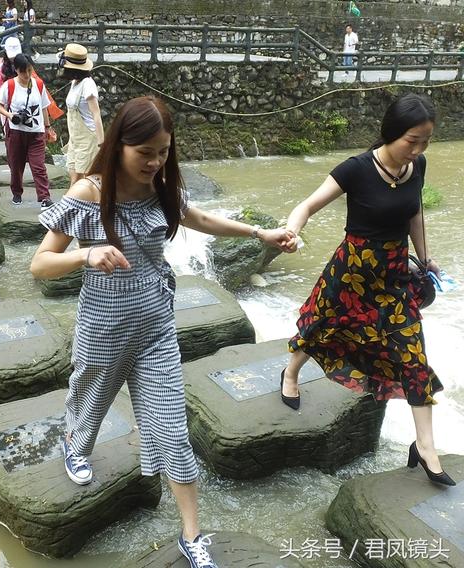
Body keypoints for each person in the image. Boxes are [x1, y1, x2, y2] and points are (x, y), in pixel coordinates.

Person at [31, 95, 291, 568]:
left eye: (163, 151)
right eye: (144, 152)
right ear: (118, 146)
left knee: (173, 430)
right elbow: (40, 264)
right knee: (89, 409)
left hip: (155, 328)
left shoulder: (162, 188)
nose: (155, 161)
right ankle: (75, 443)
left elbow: (201, 219)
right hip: (103, 330)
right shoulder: (90, 192)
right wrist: (85, 255)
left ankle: (192, 536)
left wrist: (259, 234)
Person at [280, 94, 455, 487]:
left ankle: (426, 447)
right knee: (319, 330)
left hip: (394, 278)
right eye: (413, 140)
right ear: (391, 133)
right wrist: (291, 232)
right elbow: (307, 206)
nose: (419, 149)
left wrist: (426, 259)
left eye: (426, 141)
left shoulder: (418, 165)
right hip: (352, 273)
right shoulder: (357, 168)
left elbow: (414, 214)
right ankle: (290, 373)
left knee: (413, 356)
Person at [0, 53, 54, 207]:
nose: (27, 75)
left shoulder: (39, 84)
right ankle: (16, 193)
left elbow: (44, 107)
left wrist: (47, 127)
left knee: (39, 166)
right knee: (16, 165)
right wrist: (10, 115)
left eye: (29, 70)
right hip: (16, 132)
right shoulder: (9, 85)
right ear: (16, 70)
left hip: (36, 132)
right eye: (23, 71)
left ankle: (44, 197)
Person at [59, 43, 104, 186]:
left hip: (88, 138)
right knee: (73, 177)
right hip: (75, 138)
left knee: (84, 180)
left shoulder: (87, 84)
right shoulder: (75, 82)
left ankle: (76, 206)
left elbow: (96, 114)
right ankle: (70, 206)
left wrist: (102, 142)